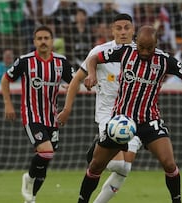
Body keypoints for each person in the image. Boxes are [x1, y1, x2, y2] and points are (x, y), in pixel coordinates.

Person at [78, 25, 182, 203]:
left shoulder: (165, 60)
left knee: (169, 164)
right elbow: (93, 59)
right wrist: (91, 74)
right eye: (141, 47)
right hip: (122, 121)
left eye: (149, 48)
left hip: (149, 121)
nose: (145, 52)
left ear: (156, 44)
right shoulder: (124, 52)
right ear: (136, 41)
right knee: (96, 166)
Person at [58, 13, 143, 203]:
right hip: (108, 117)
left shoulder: (142, 53)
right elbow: (76, 81)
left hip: (134, 116)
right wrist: (67, 109)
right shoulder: (100, 52)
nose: (123, 32)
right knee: (116, 165)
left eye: (126, 27)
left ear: (133, 29)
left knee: (124, 169)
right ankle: (97, 147)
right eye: (118, 28)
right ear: (112, 30)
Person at [1, 25, 73, 203]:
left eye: (46, 38)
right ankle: (28, 178)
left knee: (45, 163)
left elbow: (75, 81)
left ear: (52, 41)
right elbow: (5, 79)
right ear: (34, 42)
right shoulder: (25, 61)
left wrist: (69, 91)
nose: (43, 41)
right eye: (39, 38)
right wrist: (8, 103)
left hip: (52, 117)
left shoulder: (61, 62)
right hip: (31, 115)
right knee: (46, 152)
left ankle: (31, 198)